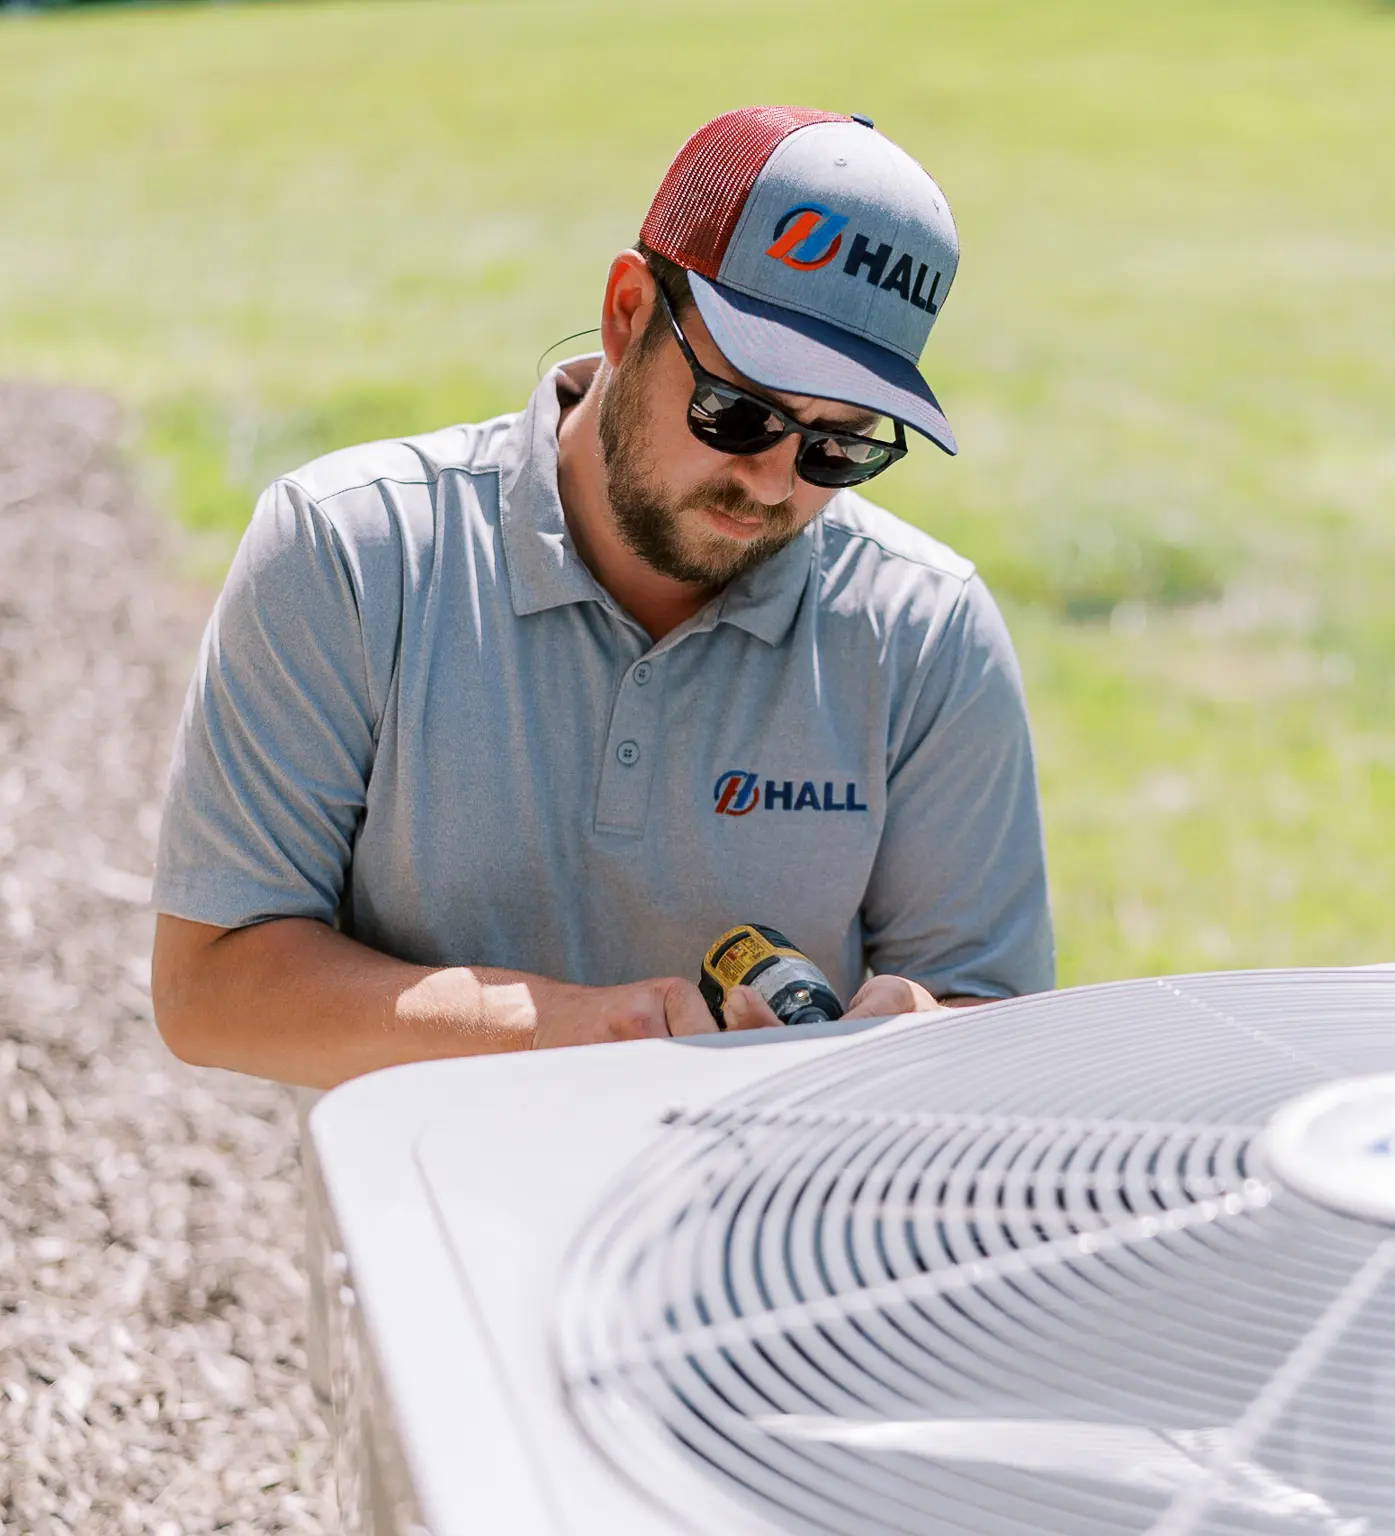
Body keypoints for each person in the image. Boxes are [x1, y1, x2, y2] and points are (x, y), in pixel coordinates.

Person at [149, 105, 1054, 1089]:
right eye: (739, 412)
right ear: (627, 312)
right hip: (413, 1222)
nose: (773, 482)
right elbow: (210, 989)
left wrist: (930, 1035)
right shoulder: (351, 552)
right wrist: (564, 1034)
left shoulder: (925, 631)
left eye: (842, 446)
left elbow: (992, 1026)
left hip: (764, 1236)